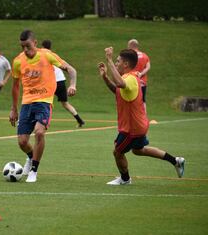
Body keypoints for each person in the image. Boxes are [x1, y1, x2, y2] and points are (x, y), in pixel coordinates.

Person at [97, 47, 185, 185]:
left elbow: (120, 83)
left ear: (126, 64)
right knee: (138, 150)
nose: (116, 63)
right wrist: (105, 77)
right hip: (138, 125)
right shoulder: (130, 78)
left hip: (131, 128)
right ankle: (176, 161)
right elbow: (118, 90)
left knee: (117, 152)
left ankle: (125, 179)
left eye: (117, 61)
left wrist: (108, 59)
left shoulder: (130, 78)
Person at [9, 30, 77, 183]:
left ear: (35, 43)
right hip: (27, 103)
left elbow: (71, 69)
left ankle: (34, 170)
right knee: (22, 142)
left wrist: (72, 85)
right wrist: (14, 108)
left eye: (27, 46)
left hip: (44, 101)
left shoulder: (46, 55)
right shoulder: (18, 61)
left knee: (39, 133)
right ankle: (30, 157)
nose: (25, 50)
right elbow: (15, 87)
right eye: (22, 47)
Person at [41, 39, 85, 127]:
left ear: (42, 47)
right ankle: (79, 120)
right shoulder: (54, 56)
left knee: (45, 101)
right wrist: (73, 85)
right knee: (65, 103)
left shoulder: (41, 55)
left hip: (51, 82)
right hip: (61, 80)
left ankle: (45, 121)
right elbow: (68, 68)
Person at [127, 39, 151, 103]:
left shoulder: (129, 56)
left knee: (131, 99)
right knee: (142, 100)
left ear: (130, 46)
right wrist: (141, 74)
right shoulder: (144, 55)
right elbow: (148, 67)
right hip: (142, 82)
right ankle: (143, 113)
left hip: (131, 81)